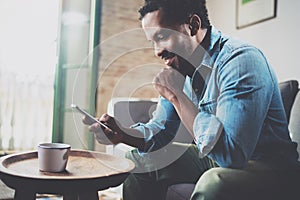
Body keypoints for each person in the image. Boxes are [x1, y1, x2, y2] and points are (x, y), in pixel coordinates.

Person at [83, 0, 300, 199]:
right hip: (216, 158)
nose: (157, 52)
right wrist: (122, 133)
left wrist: (177, 96)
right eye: (152, 42)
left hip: (271, 168)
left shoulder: (240, 60)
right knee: (138, 161)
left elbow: (233, 156)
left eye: (162, 37)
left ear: (193, 26)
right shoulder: (182, 66)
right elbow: (161, 131)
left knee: (214, 182)